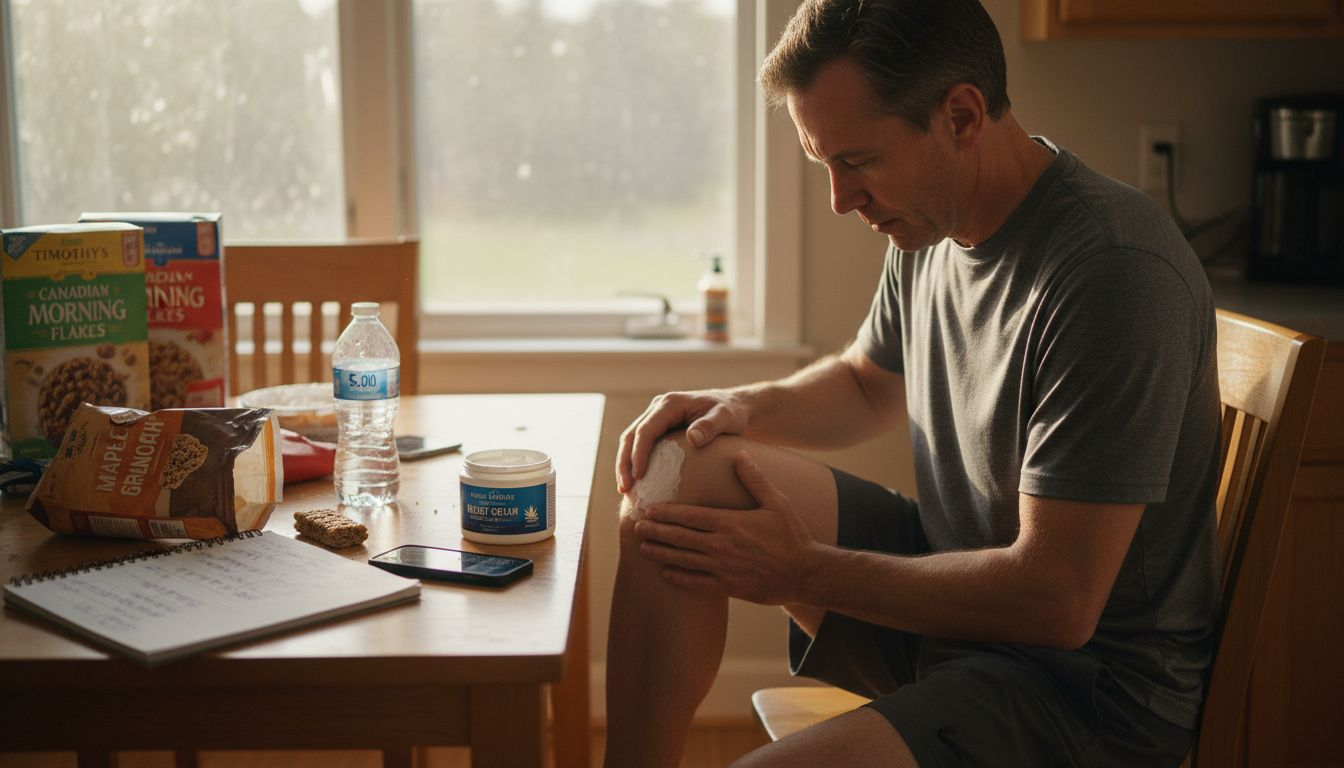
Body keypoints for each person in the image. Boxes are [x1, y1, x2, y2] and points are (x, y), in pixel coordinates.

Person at [603, 0, 1221, 766]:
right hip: (956, 601)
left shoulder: (1113, 271)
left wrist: (801, 571)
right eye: (825, 165)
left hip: (1079, 691)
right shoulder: (930, 222)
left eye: (857, 161)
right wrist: (736, 407)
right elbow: (866, 384)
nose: (841, 199)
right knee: (674, 471)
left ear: (961, 116)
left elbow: (1058, 600)